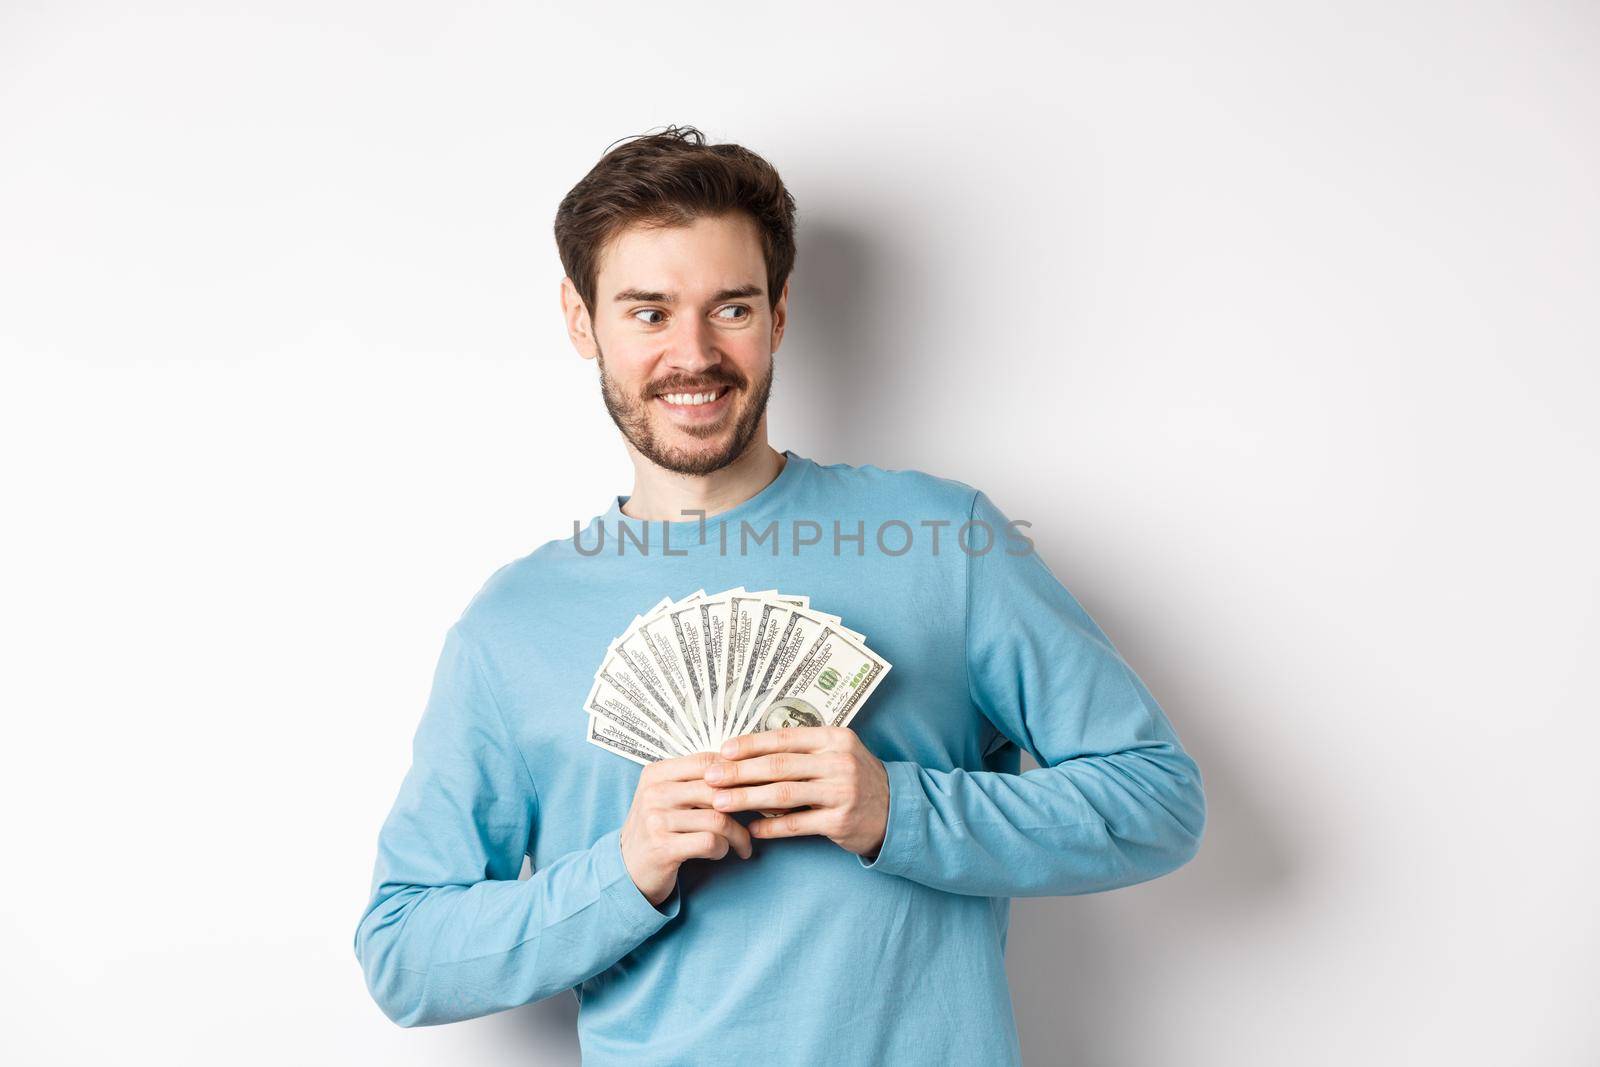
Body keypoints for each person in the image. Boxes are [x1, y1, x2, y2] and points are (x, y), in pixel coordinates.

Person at [353, 124, 1206, 1065]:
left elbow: (1157, 801)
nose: (694, 354)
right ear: (578, 317)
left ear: (781, 312)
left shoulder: (943, 538)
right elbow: (404, 955)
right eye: (648, 311)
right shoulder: (512, 626)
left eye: (732, 308)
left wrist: (899, 808)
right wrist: (625, 869)